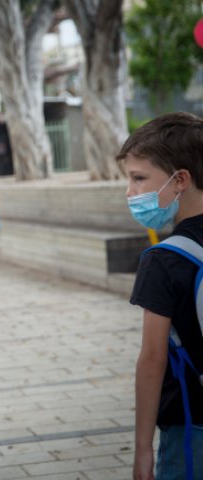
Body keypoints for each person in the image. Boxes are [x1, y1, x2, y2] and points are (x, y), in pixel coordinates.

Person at [118, 112, 203, 480]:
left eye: (139, 178)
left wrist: (142, 451)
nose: (130, 192)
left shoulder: (164, 260)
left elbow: (152, 360)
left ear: (180, 179)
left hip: (192, 426)